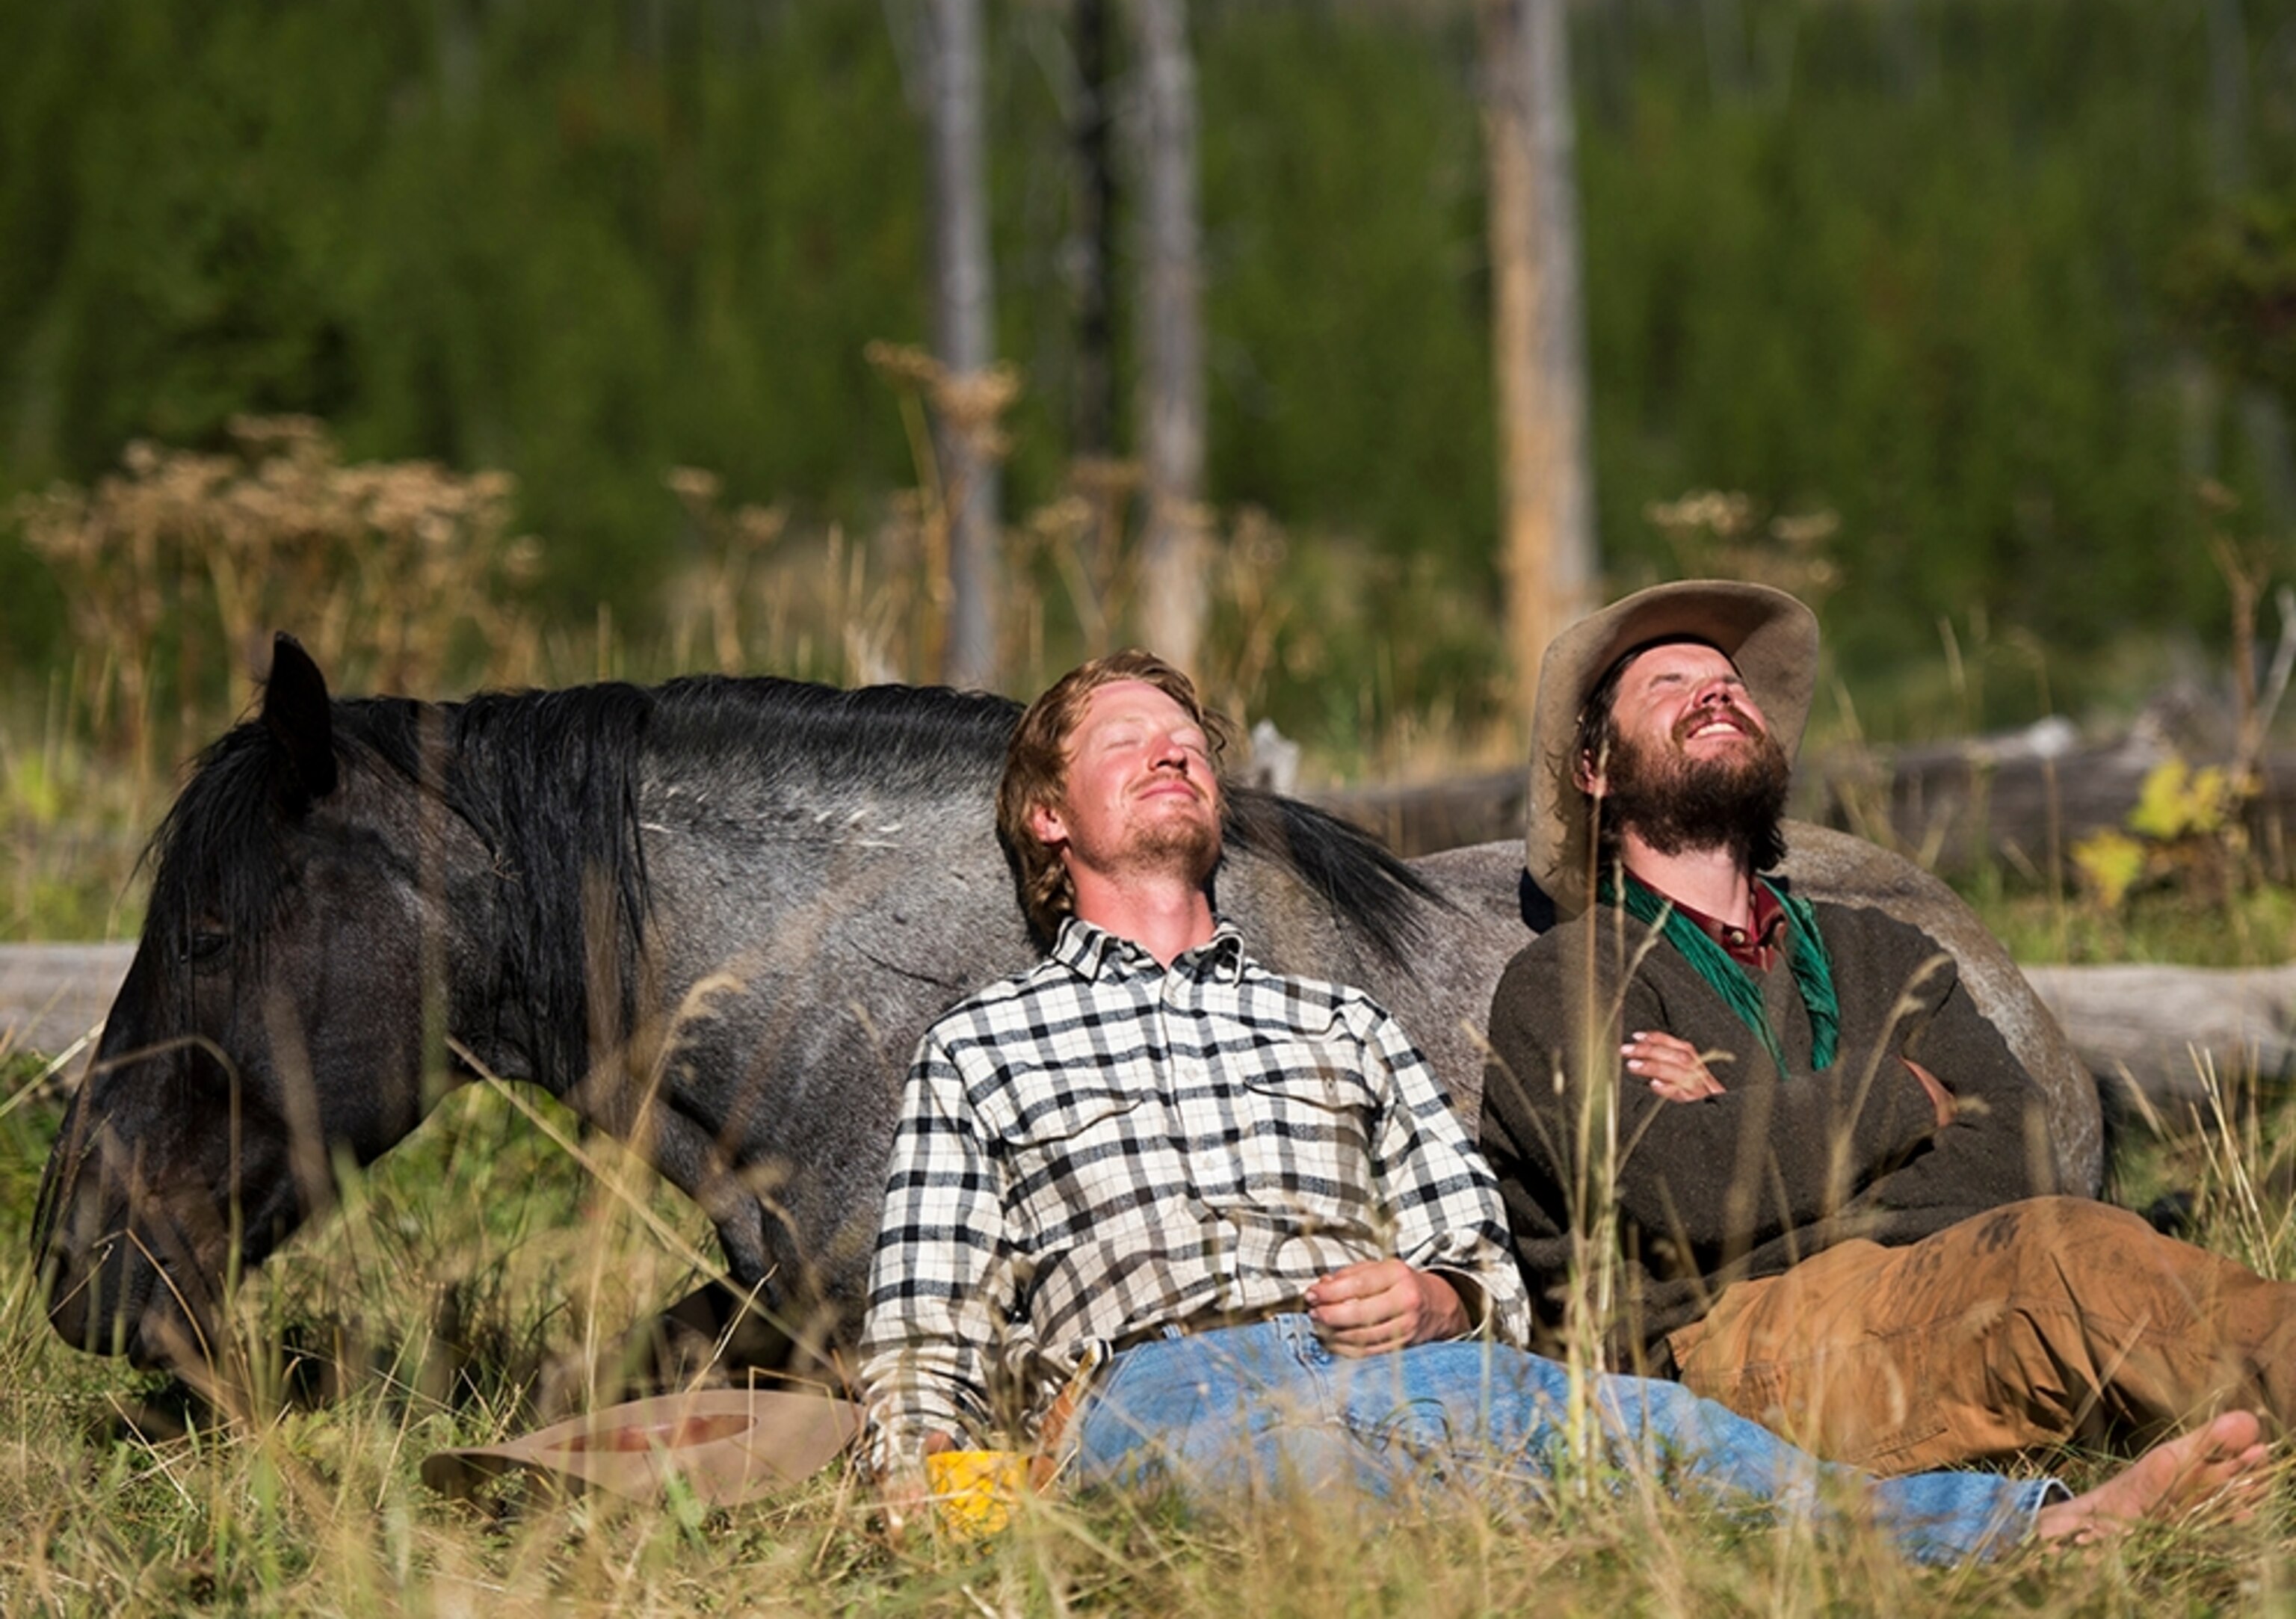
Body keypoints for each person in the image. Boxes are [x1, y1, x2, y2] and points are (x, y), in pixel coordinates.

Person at [857, 648, 2264, 1559]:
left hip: (1380, 1354)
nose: (1173, 752)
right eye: (1125, 740)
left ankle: (2032, 1536)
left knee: (1650, 1443)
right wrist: (923, 1468)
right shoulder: (985, 1042)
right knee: (1334, 1468)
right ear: (1047, 815)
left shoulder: (1336, 1021)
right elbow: (926, 1314)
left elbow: (1480, 1252)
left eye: (1190, 739)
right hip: (1152, 1376)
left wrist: (1437, 1297)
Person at [1481, 578, 2296, 1478]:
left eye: (1730, 683)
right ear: (1595, 769)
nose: (1716, 690)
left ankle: (2172, 1473)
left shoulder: (1880, 949)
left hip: (1950, 1282)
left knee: (2090, 1259)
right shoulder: (1571, 977)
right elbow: (1679, 1185)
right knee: (2061, 1264)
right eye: (1668, 684)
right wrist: (1907, 1095)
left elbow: (2021, 1153)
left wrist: (1751, 1121)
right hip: (1722, 1356)